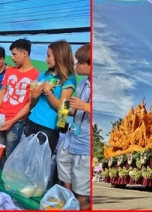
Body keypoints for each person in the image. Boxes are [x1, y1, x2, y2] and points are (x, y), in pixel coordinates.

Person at [0, 39, 40, 168]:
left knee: (10, 155)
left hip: (16, 122)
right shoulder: (10, 71)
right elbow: (1, 94)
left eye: (14, 54)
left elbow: (30, 103)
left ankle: (5, 184)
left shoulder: (36, 76)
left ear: (25, 53)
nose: (12, 58)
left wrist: (13, 121)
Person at [26, 40, 77, 153]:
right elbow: (33, 102)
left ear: (59, 56)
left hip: (49, 128)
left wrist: (48, 92)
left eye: (49, 56)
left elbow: (62, 108)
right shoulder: (43, 74)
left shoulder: (69, 79)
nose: (46, 59)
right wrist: (33, 96)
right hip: (32, 121)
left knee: (38, 165)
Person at [56, 43, 90, 210]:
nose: (76, 65)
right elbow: (73, 110)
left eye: (80, 63)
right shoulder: (83, 84)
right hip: (72, 136)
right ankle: (68, 203)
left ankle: (81, 204)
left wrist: (86, 106)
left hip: (86, 143)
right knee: (64, 167)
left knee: (81, 187)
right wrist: (64, 111)